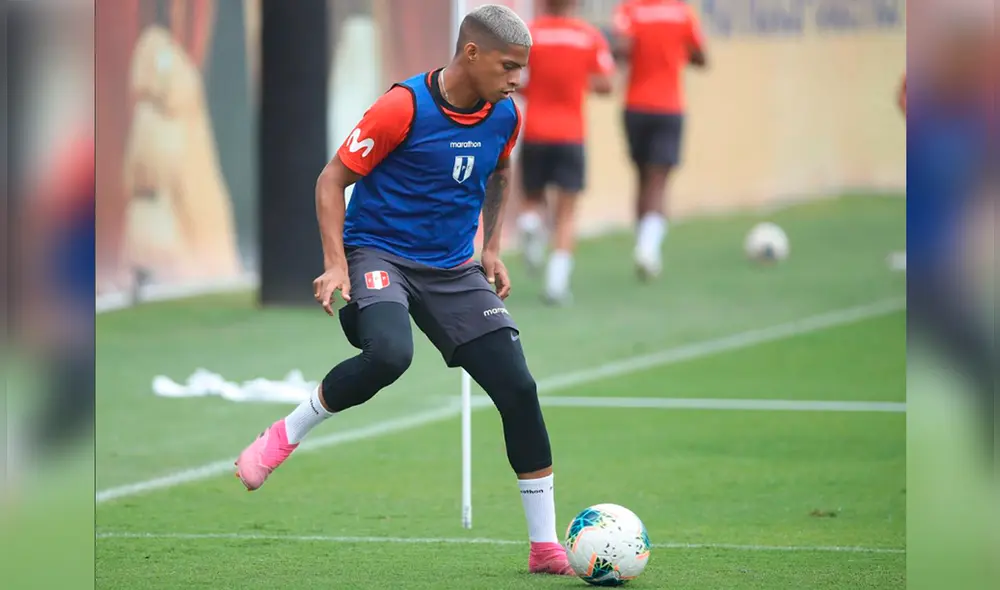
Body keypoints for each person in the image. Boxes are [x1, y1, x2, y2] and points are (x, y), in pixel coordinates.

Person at [235, 4, 575, 577]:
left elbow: (499, 172)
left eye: (522, 69)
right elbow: (331, 179)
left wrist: (491, 248)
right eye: (509, 66)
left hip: (452, 270)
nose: (517, 79)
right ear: (472, 53)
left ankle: (544, 548)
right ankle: (282, 436)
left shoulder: (504, 115)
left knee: (519, 388)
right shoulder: (403, 107)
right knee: (391, 355)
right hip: (379, 254)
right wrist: (336, 264)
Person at [513, 0, 615, 304]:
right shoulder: (588, 36)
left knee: (532, 198)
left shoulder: (530, 35)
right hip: (571, 134)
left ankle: (530, 225)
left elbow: (513, 78)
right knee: (566, 213)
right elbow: (607, 83)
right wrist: (578, 81)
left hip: (536, 132)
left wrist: (535, 90)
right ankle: (556, 284)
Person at [612, 0, 707, 279]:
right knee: (658, 180)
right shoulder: (681, 12)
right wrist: (674, 51)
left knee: (641, 177)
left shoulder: (629, 10)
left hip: (635, 105)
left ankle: (643, 243)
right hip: (668, 106)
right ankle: (647, 249)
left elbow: (623, 48)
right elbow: (701, 56)